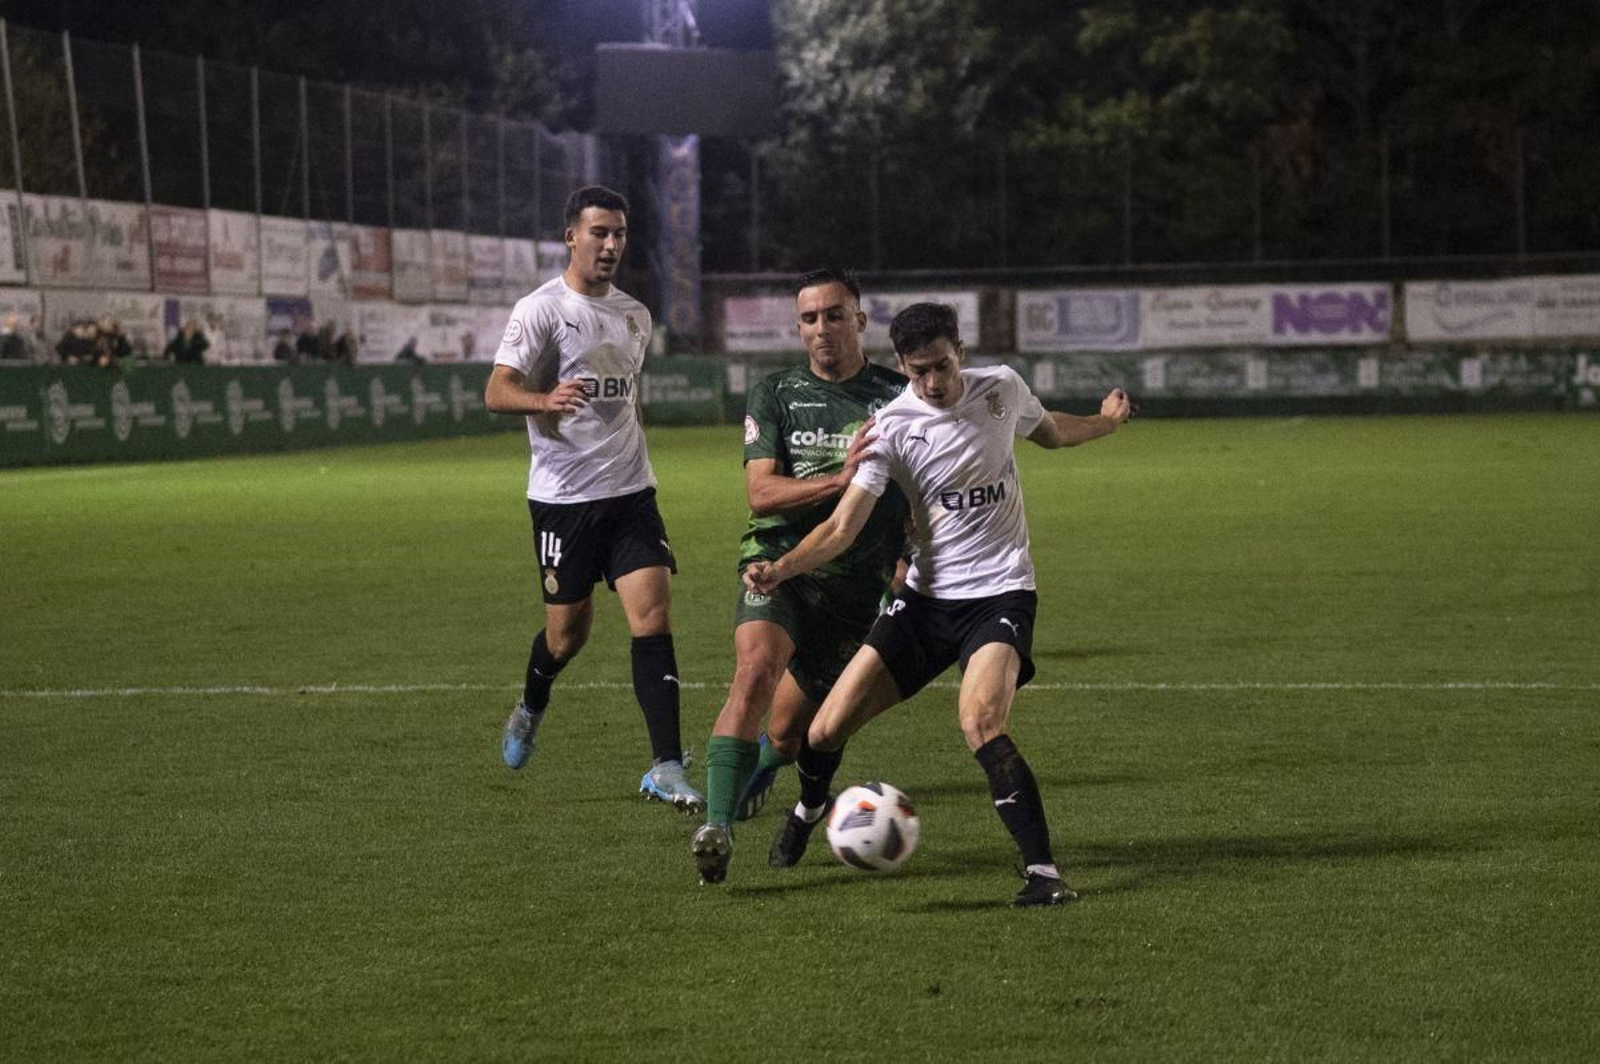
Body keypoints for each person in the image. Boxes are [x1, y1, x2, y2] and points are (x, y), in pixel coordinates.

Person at [743, 302, 1133, 907]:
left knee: (980, 721)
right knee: (822, 731)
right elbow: (843, 528)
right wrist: (783, 568)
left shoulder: (1001, 389)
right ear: (901, 365)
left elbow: (1052, 432)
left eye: (943, 366)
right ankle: (808, 807)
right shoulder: (890, 428)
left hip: (1001, 592)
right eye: (919, 371)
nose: (933, 382)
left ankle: (1044, 875)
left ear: (961, 353)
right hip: (924, 602)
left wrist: (1106, 422)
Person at [689, 268, 911, 886]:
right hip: (778, 562)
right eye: (809, 319)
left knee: (787, 737)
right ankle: (716, 828)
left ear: (861, 321)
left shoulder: (900, 396)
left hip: (856, 586)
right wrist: (839, 481)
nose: (822, 329)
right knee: (754, 669)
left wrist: (908, 554)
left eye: (835, 315)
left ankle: (755, 769)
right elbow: (761, 493)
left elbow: (921, 485)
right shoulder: (776, 393)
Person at [485, 185, 702, 811]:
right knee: (566, 636)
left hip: (631, 493)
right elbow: (497, 391)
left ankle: (664, 765)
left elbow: (629, 396)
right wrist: (542, 399)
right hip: (562, 502)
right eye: (599, 233)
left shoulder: (636, 314)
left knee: (653, 617)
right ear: (570, 237)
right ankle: (532, 701)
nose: (611, 245)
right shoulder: (541, 310)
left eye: (620, 235)